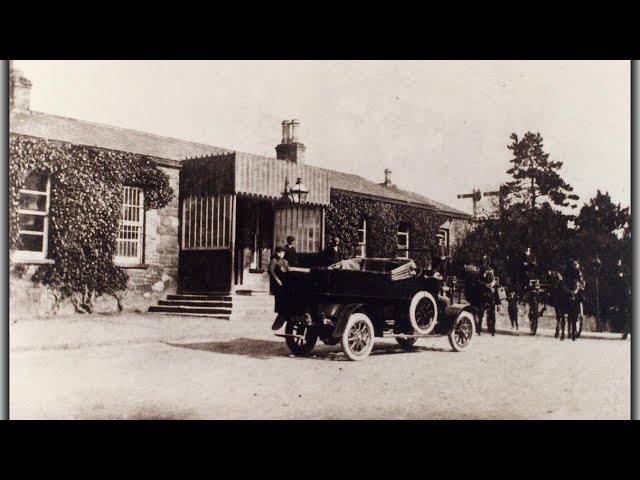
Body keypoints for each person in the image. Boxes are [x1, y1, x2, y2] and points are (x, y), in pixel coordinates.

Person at [269, 247, 290, 331]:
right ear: (276, 253)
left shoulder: (285, 262)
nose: (281, 254)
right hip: (278, 284)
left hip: (285, 283)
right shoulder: (274, 261)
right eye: (279, 253)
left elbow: (288, 271)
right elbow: (270, 271)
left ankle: (284, 314)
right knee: (279, 299)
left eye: (282, 253)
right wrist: (277, 279)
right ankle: (280, 315)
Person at [478, 255, 500, 336]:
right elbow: (479, 280)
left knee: (493, 309)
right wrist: (485, 285)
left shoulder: (491, 270)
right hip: (483, 289)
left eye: (486, 261)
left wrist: (492, 283)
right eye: (484, 261)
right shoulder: (481, 270)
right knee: (481, 311)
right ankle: (479, 328)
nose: (485, 263)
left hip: (490, 289)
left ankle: (493, 329)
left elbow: (494, 279)